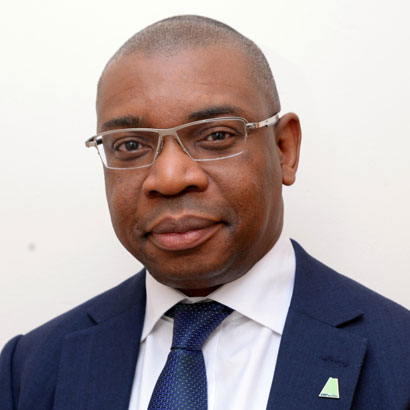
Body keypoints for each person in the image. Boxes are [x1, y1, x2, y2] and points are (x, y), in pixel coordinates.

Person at [1, 15, 409, 410]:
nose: (169, 178)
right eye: (130, 145)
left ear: (284, 149)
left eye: (216, 135)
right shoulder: (29, 370)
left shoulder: (399, 359)